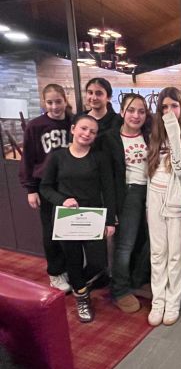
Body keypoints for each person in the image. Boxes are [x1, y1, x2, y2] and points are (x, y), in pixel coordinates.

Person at [40, 115, 116, 323]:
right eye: (83, 128)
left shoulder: (99, 158)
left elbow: (108, 190)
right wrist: (62, 200)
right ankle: (82, 298)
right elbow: (45, 187)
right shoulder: (57, 157)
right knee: (72, 260)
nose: (87, 134)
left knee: (98, 263)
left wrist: (110, 221)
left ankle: (78, 284)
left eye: (92, 131)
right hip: (67, 219)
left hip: (93, 217)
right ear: (73, 129)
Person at [146, 87, 181, 327]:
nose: (169, 111)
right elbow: (150, 168)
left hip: (177, 200)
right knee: (158, 253)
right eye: (164, 107)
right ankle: (158, 300)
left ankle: (173, 301)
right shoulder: (155, 134)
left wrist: (175, 133)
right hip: (154, 197)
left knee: (176, 255)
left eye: (174, 106)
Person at [19, 83, 72, 292]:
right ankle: (56, 273)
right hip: (46, 185)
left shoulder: (73, 122)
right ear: (44, 103)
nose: (54, 106)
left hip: (70, 183)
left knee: (70, 230)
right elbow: (28, 158)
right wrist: (31, 189)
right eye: (49, 102)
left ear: (65, 100)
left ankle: (70, 268)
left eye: (58, 101)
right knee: (51, 231)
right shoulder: (35, 126)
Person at [101, 93, 151, 314]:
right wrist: (111, 211)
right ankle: (119, 289)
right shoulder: (109, 138)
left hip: (151, 192)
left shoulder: (150, 135)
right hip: (128, 194)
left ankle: (137, 280)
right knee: (125, 245)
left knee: (149, 241)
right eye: (131, 110)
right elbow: (106, 179)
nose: (136, 115)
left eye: (141, 111)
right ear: (121, 112)